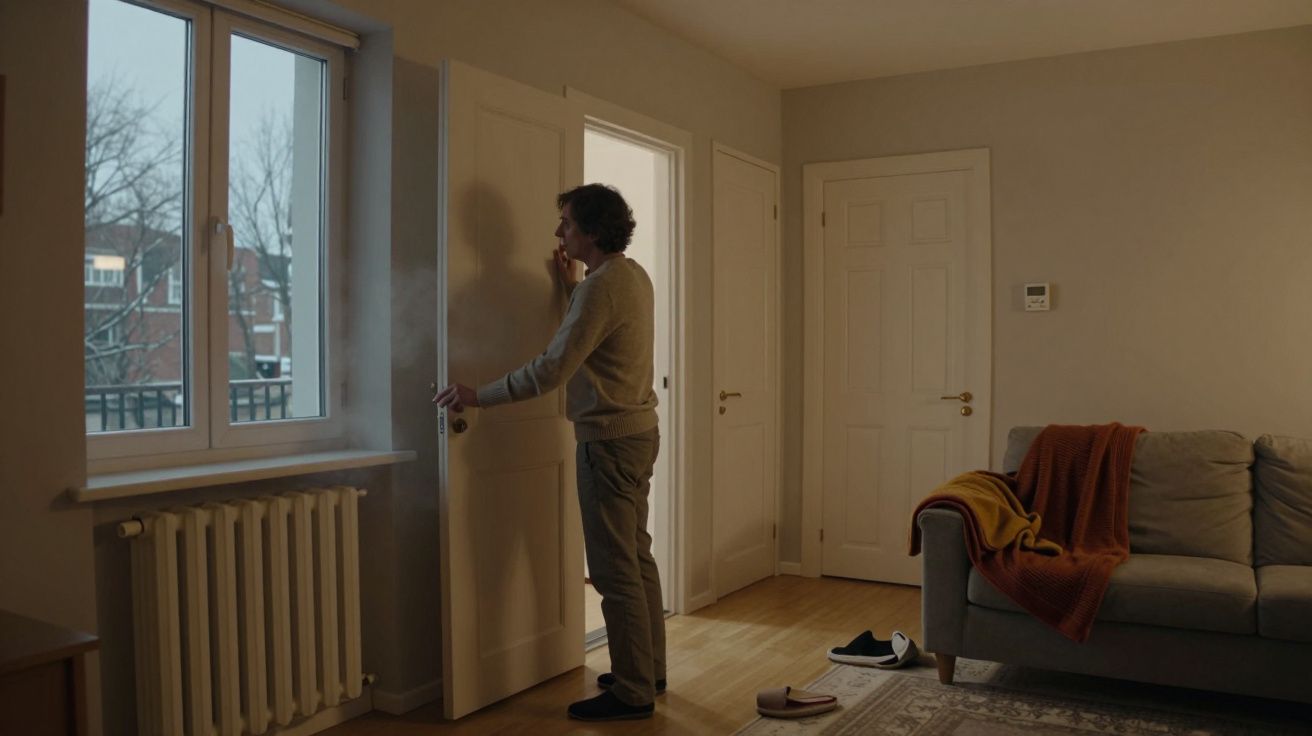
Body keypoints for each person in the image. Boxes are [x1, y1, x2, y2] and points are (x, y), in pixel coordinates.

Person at [434, 183, 665, 722]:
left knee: (613, 571)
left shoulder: (599, 290)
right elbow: (594, 335)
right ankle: (648, 669)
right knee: (638, 555)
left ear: (591, 231)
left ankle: (633, 692)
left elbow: (551, 368)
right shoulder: (632, 278)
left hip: (607, 446)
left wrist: (478, 396)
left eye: (565, 223)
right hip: (639, 435)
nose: (558, 232)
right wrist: (571, 289)